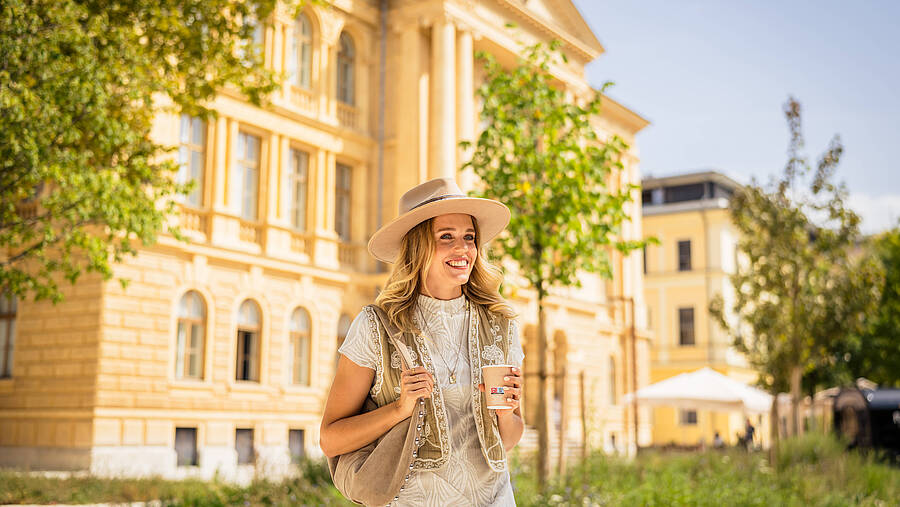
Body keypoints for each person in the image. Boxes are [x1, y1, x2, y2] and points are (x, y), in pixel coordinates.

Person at [320, 178, 525, 506]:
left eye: (469, 238)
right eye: (447, 237)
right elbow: (330, 440)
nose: (463, 249)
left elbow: (509, 440)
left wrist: (505, 412)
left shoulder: (501, 326)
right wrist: (400, 408)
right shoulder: (376, 327)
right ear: (418, 246)